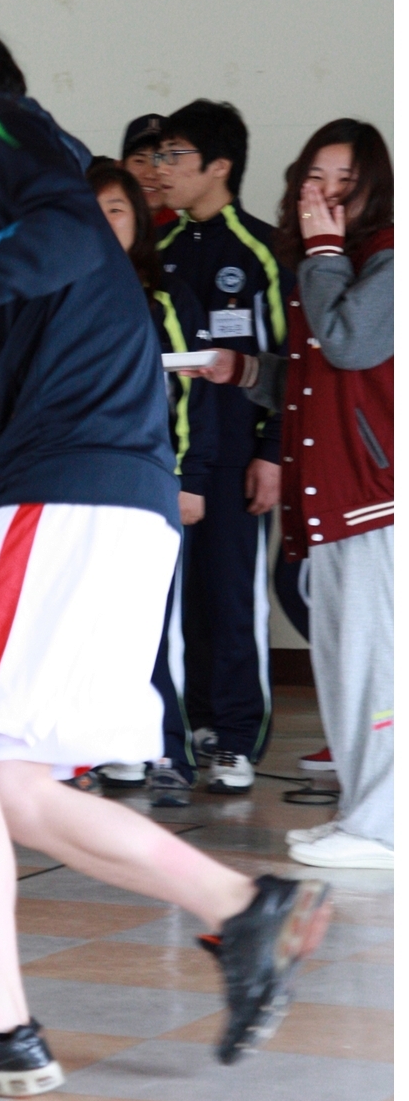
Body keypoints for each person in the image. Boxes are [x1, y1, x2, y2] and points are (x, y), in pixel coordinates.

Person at [0, 11, 329, 1095]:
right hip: (97, 498)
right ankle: (241, 908)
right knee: (5, 780)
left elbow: (65, 235)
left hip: (69, 496)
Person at [196, 121, 392, 869]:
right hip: (335, 494)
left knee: (375, 666)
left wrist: (323, 251)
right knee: (342, 665)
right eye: (314, 176)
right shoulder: (330, 262)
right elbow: (317, 381)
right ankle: (362, 813)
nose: (324, 192)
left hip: (375, 496)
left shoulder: (384, 257)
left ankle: (385, 827)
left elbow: (349, 344)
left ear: (373, 188)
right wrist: (245, 371)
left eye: (343, 180)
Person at [155, 101, 291, 793]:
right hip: (173, 458)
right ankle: (195, 724)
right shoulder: (159, 253)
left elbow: (289, 365)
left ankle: (238, 738)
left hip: (239, 457)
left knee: (233, 598)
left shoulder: (262, 250)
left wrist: (272, 452)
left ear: (219, 166)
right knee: (178, 601)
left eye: (174, 155)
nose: (161, 169)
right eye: (157, 156)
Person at [87, 162, 217, 804]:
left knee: (156, 623)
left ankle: (170, 748)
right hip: (82, 486)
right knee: (94, 623)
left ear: (137, 219)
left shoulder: (166, 299)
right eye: (92, 210)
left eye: (116, 209)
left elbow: (191, 396)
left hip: (153, 485)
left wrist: (188, 477)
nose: (104, 221)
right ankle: (113, 748)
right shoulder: (61, 297)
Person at [121, 113, 176, 224]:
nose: (150, 175)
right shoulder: (95, 228)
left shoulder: (187, 232)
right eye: (139, 161)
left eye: (161, 160)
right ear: (121, 167)